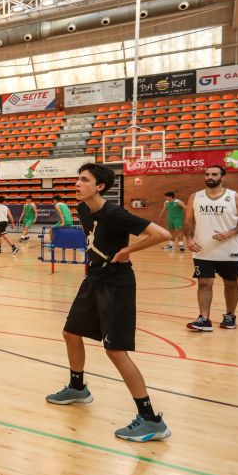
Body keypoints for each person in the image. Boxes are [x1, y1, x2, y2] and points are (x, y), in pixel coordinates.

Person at [45, 163, 172, 442]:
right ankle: (78, 388)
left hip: (117, 284)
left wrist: (128, 249)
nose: (76, 184)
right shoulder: (82, 209)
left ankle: (151, 420)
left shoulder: (114, 213)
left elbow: (163, 235)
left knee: (115, 351)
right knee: (70, 333)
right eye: (77, 179)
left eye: (83, 180)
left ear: (99, 186)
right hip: (94, 279)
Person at [183, 165, 238, 331]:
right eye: (207, 174)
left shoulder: (235, 197)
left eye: (214, 174)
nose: (210, 177)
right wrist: (189, 238)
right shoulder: (195, 196)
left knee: (230, 282)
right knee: (204, 283)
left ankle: (230, 315)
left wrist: (232, 232)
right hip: (202, 248)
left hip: (230, 249)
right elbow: (188, 221)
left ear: (223, 177)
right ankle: (204, 319)